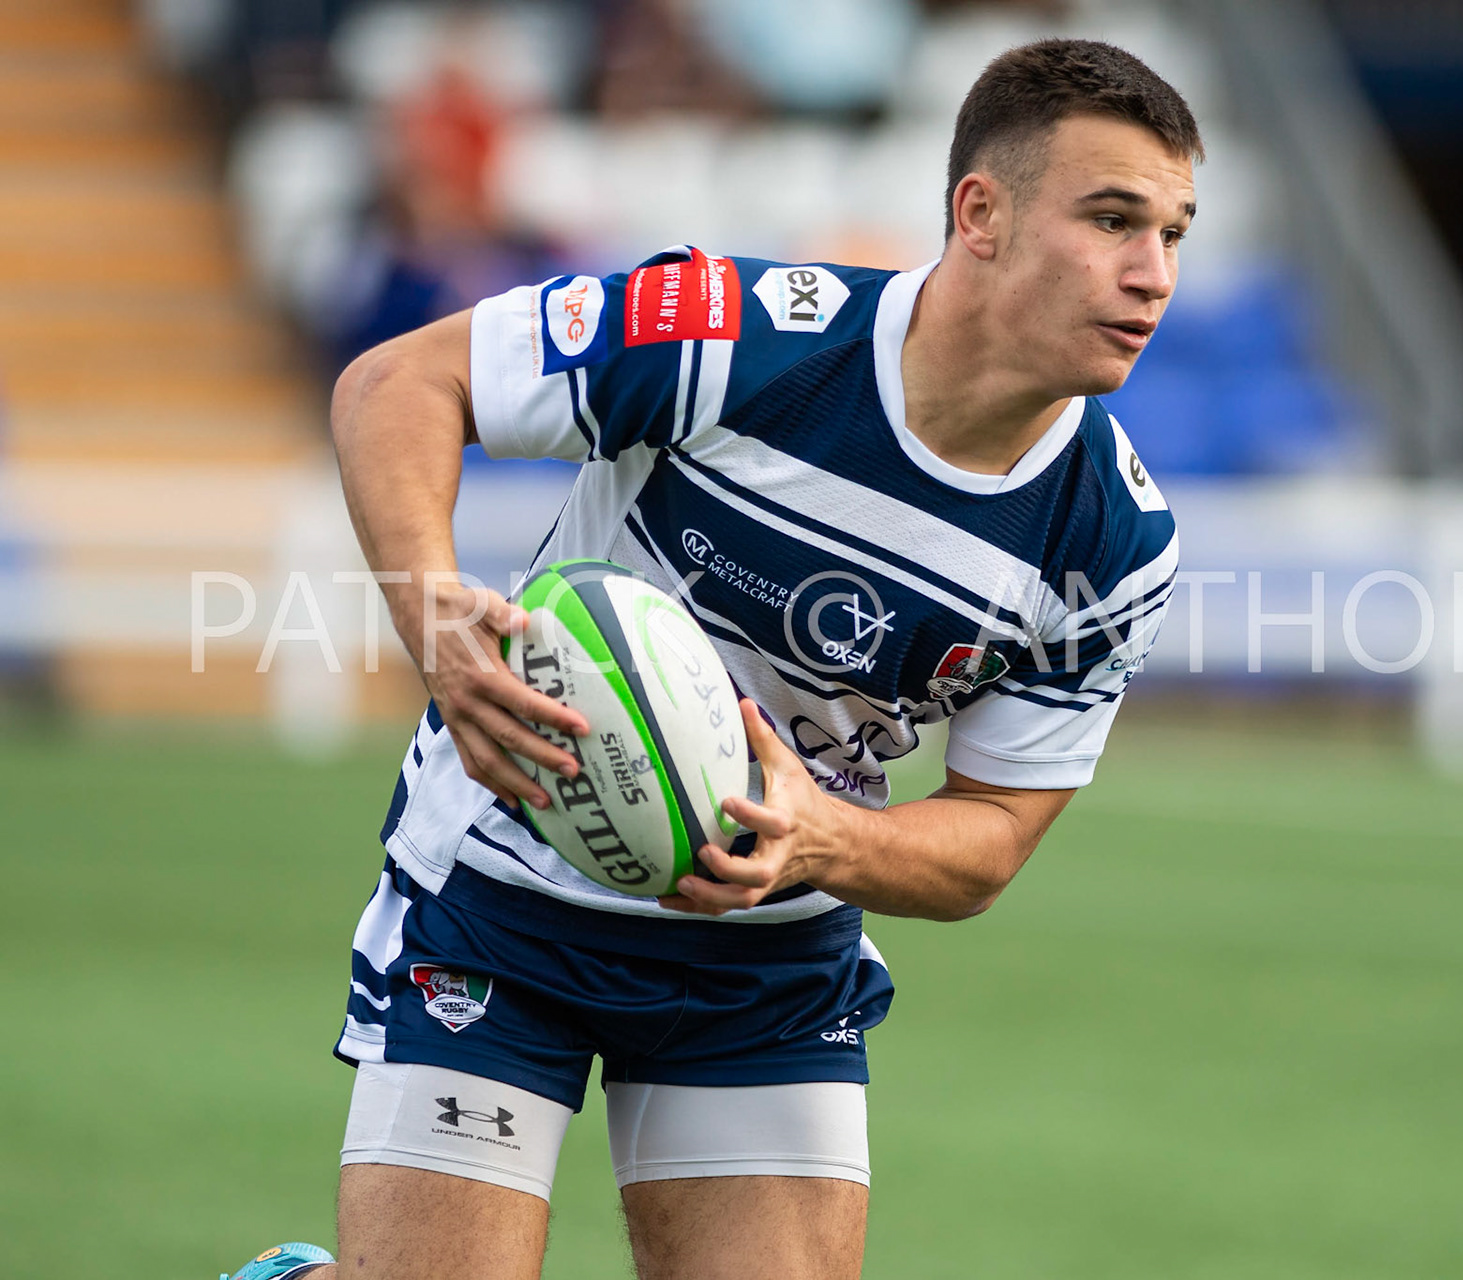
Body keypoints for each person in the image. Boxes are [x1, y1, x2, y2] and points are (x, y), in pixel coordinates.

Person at [223, 37, 1199, 1280]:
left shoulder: (1113, 542)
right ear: (982, 213)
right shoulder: (734, 332)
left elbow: (992, 838)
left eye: (1172, 232)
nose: (1151, 273)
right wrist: (439, 621)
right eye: (1113, 219)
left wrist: (826, 839)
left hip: (770, 952)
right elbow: (399, 383)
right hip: (505, 891)